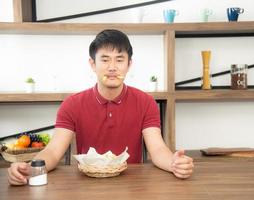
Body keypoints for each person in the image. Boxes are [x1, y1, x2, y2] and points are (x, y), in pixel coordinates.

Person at [7, 29, 194, 185]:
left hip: (131, 184)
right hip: (85, 184)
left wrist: (174, 163)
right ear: (92, 64)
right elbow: (54, 151)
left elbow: (158, 149)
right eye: (105, 59)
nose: (112, 67)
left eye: (119, 60)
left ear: (129, 65)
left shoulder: (146, 102)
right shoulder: (72, 104)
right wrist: (29, 168)